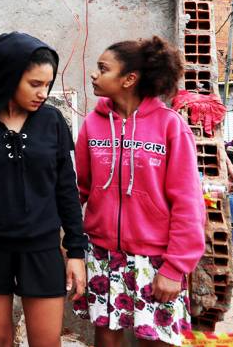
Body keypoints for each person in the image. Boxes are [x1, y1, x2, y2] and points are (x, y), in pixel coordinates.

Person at [0, 32, 87, 347]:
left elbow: (68, 190)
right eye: (34, 84)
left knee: (46, 343)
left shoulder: (53, 122)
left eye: (47, 85)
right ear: (9, 77)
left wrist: (76, 252)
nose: (43, 93)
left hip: (42, 250)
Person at [74, 37, 205, 347]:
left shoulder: (169, 126)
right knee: (106, 340)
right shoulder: (93, 124)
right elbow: (76, 187)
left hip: (156, 259)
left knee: (155, 341)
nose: (94, 74)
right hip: (104, 254)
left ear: (129, 79)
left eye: (103, 69)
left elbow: (188, 203)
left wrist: (175, 268)